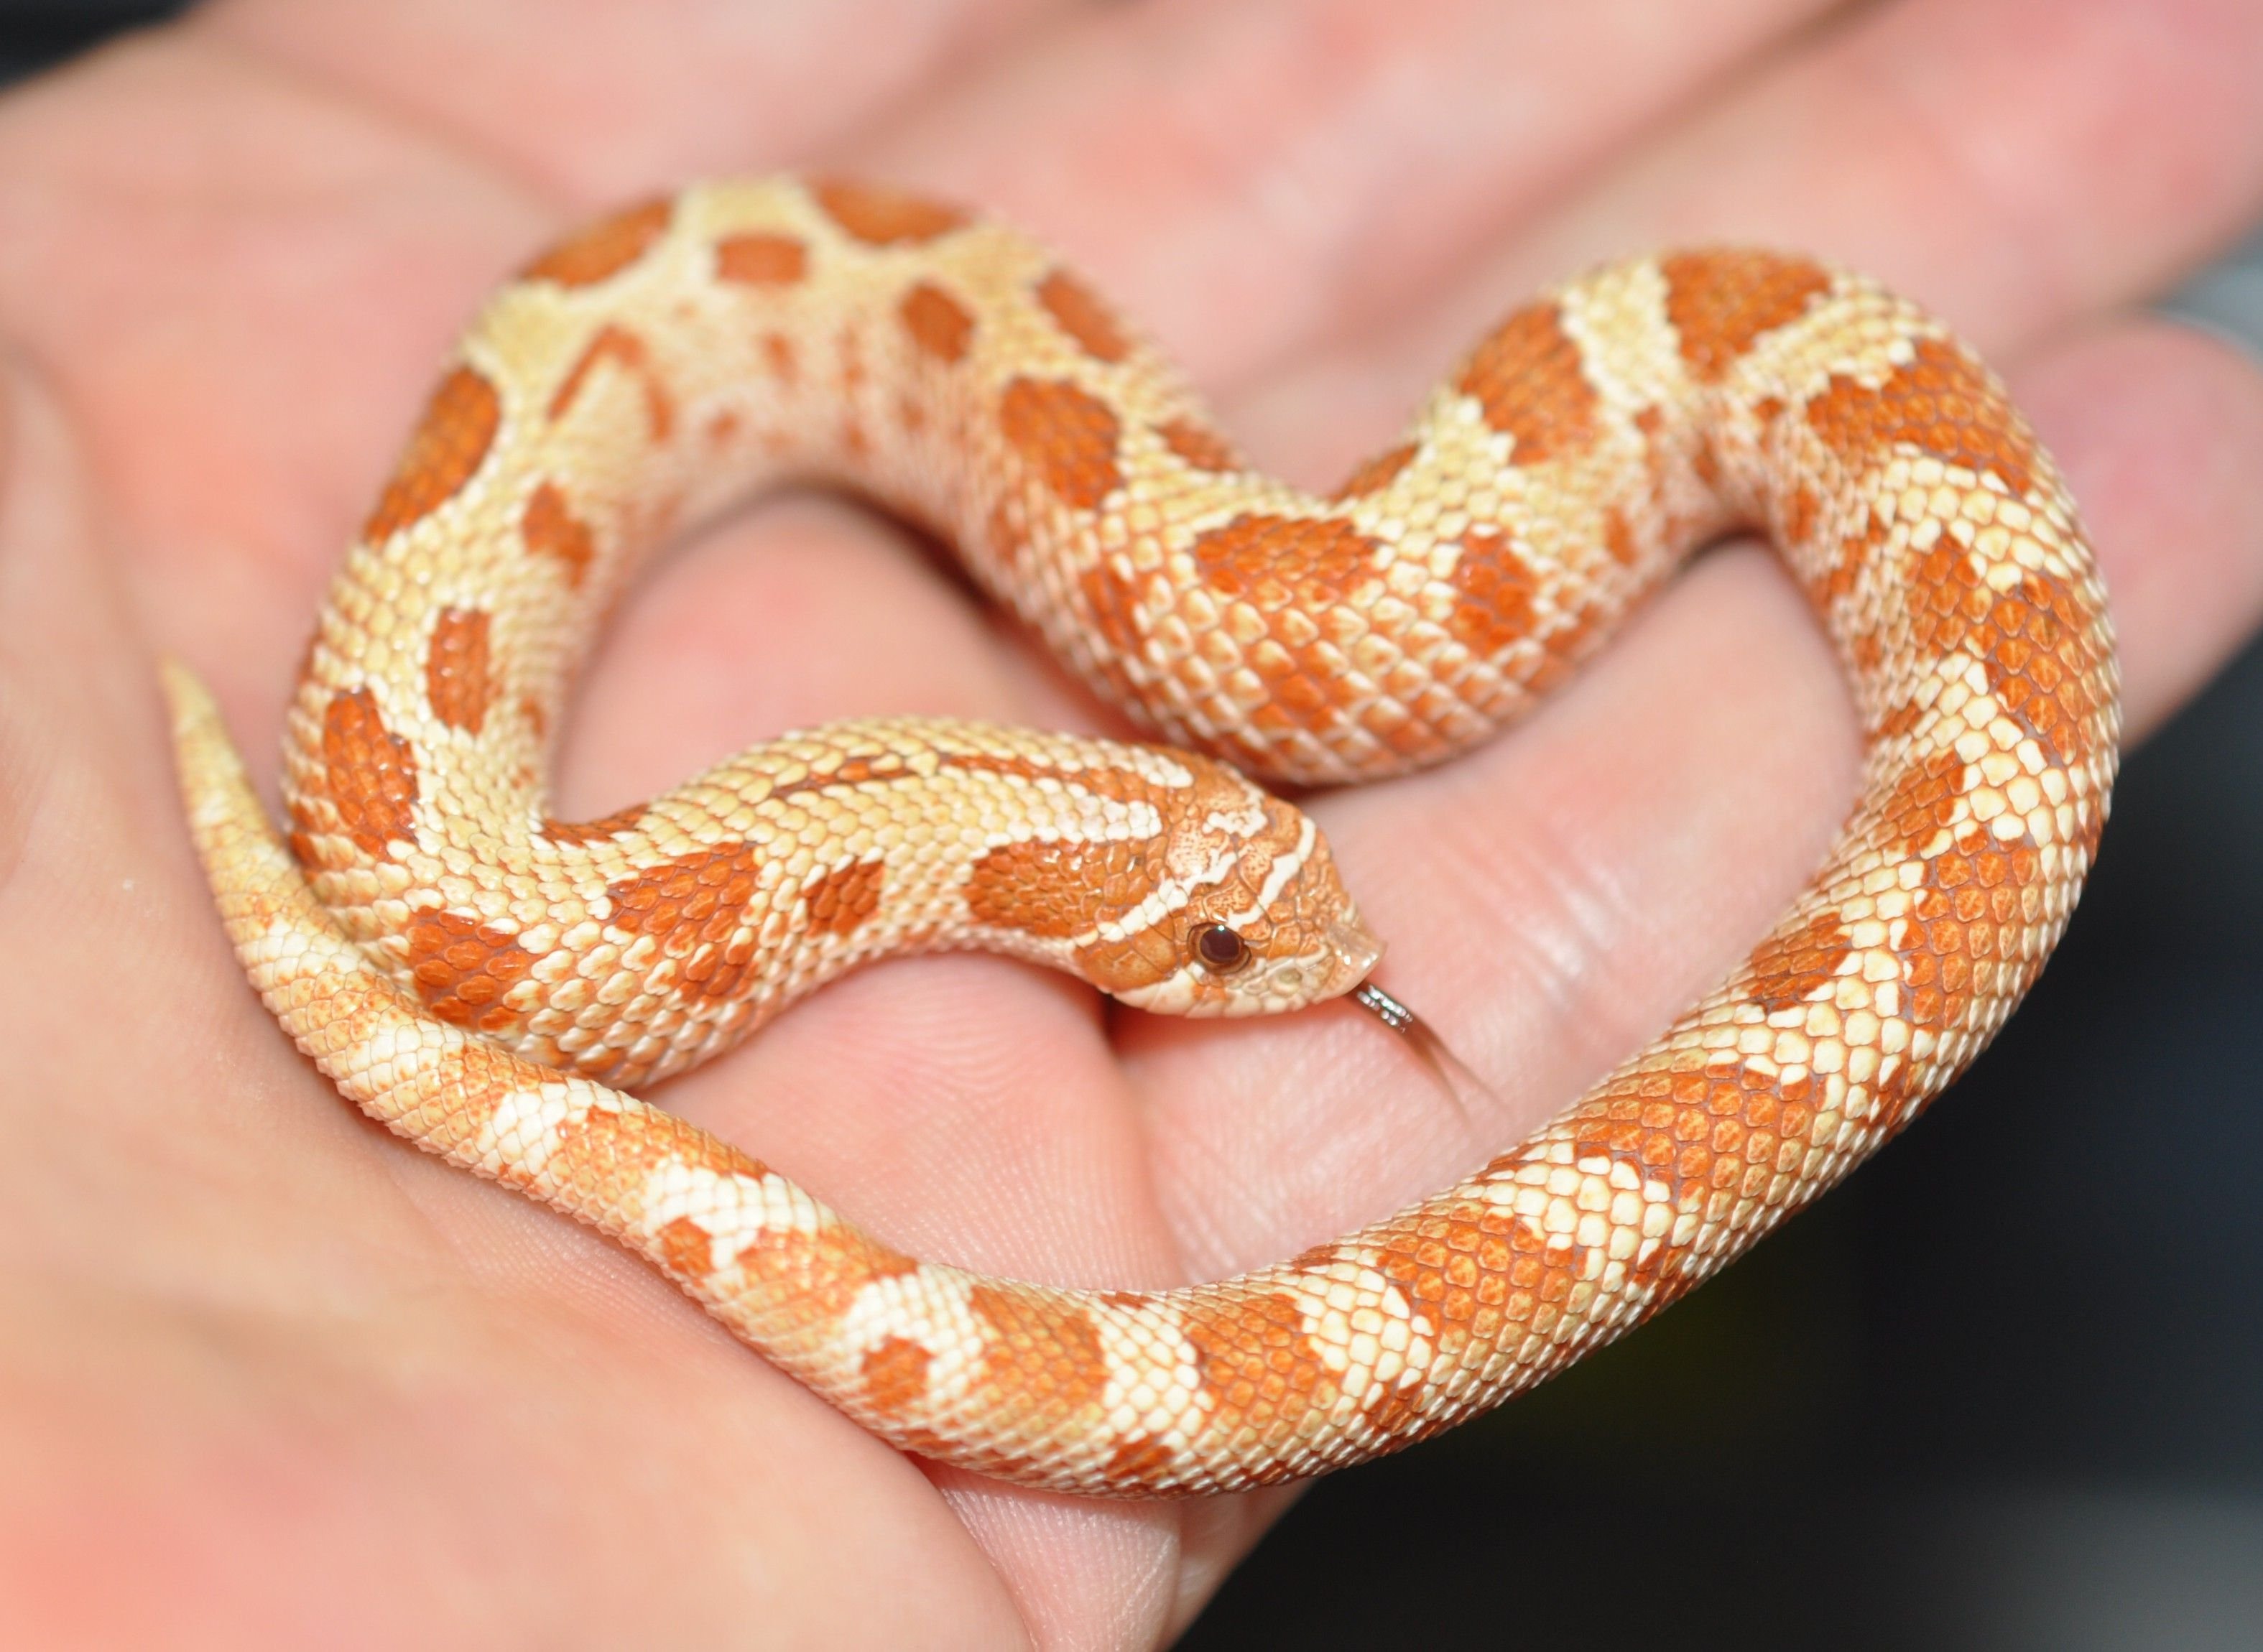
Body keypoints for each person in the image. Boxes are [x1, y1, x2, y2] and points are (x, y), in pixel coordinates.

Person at [1, 1, 2258, 1643]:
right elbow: (476, 915)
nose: (1313, 953)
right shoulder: (501, 911)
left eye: (1242, 904)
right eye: (1219, 955)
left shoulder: (1084, 754)